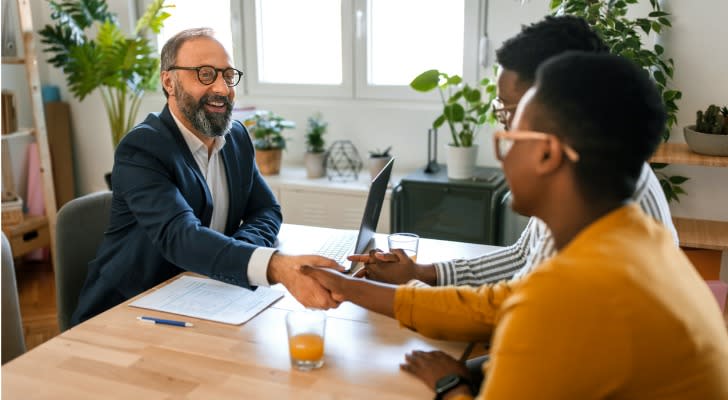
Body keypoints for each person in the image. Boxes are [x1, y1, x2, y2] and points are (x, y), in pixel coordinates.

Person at [303, 52, 728, 399]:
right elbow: (499, 301)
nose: (501, 152)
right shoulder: (639, 238)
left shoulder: (561, 293)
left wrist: (450, 384)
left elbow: (515, 309)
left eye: (509, 137)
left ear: (547, 155)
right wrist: (350, 286)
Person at [352, 16, 677, 287]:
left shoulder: (591, 200)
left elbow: (510, 307)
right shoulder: (592, 165)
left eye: (511, 113)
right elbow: (524, 259)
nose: (506, 136)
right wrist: (422, 273)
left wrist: (369, 291)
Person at [72, 28, 342, 325]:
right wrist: (275, 267)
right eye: (205, 74)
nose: (222, 88)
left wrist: (240, 250)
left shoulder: (236, 137)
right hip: (128, 311)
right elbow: (180, 237)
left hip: (205, 300)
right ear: (168, 82)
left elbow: (266, 209)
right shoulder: (143, 149)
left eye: (227, 76)